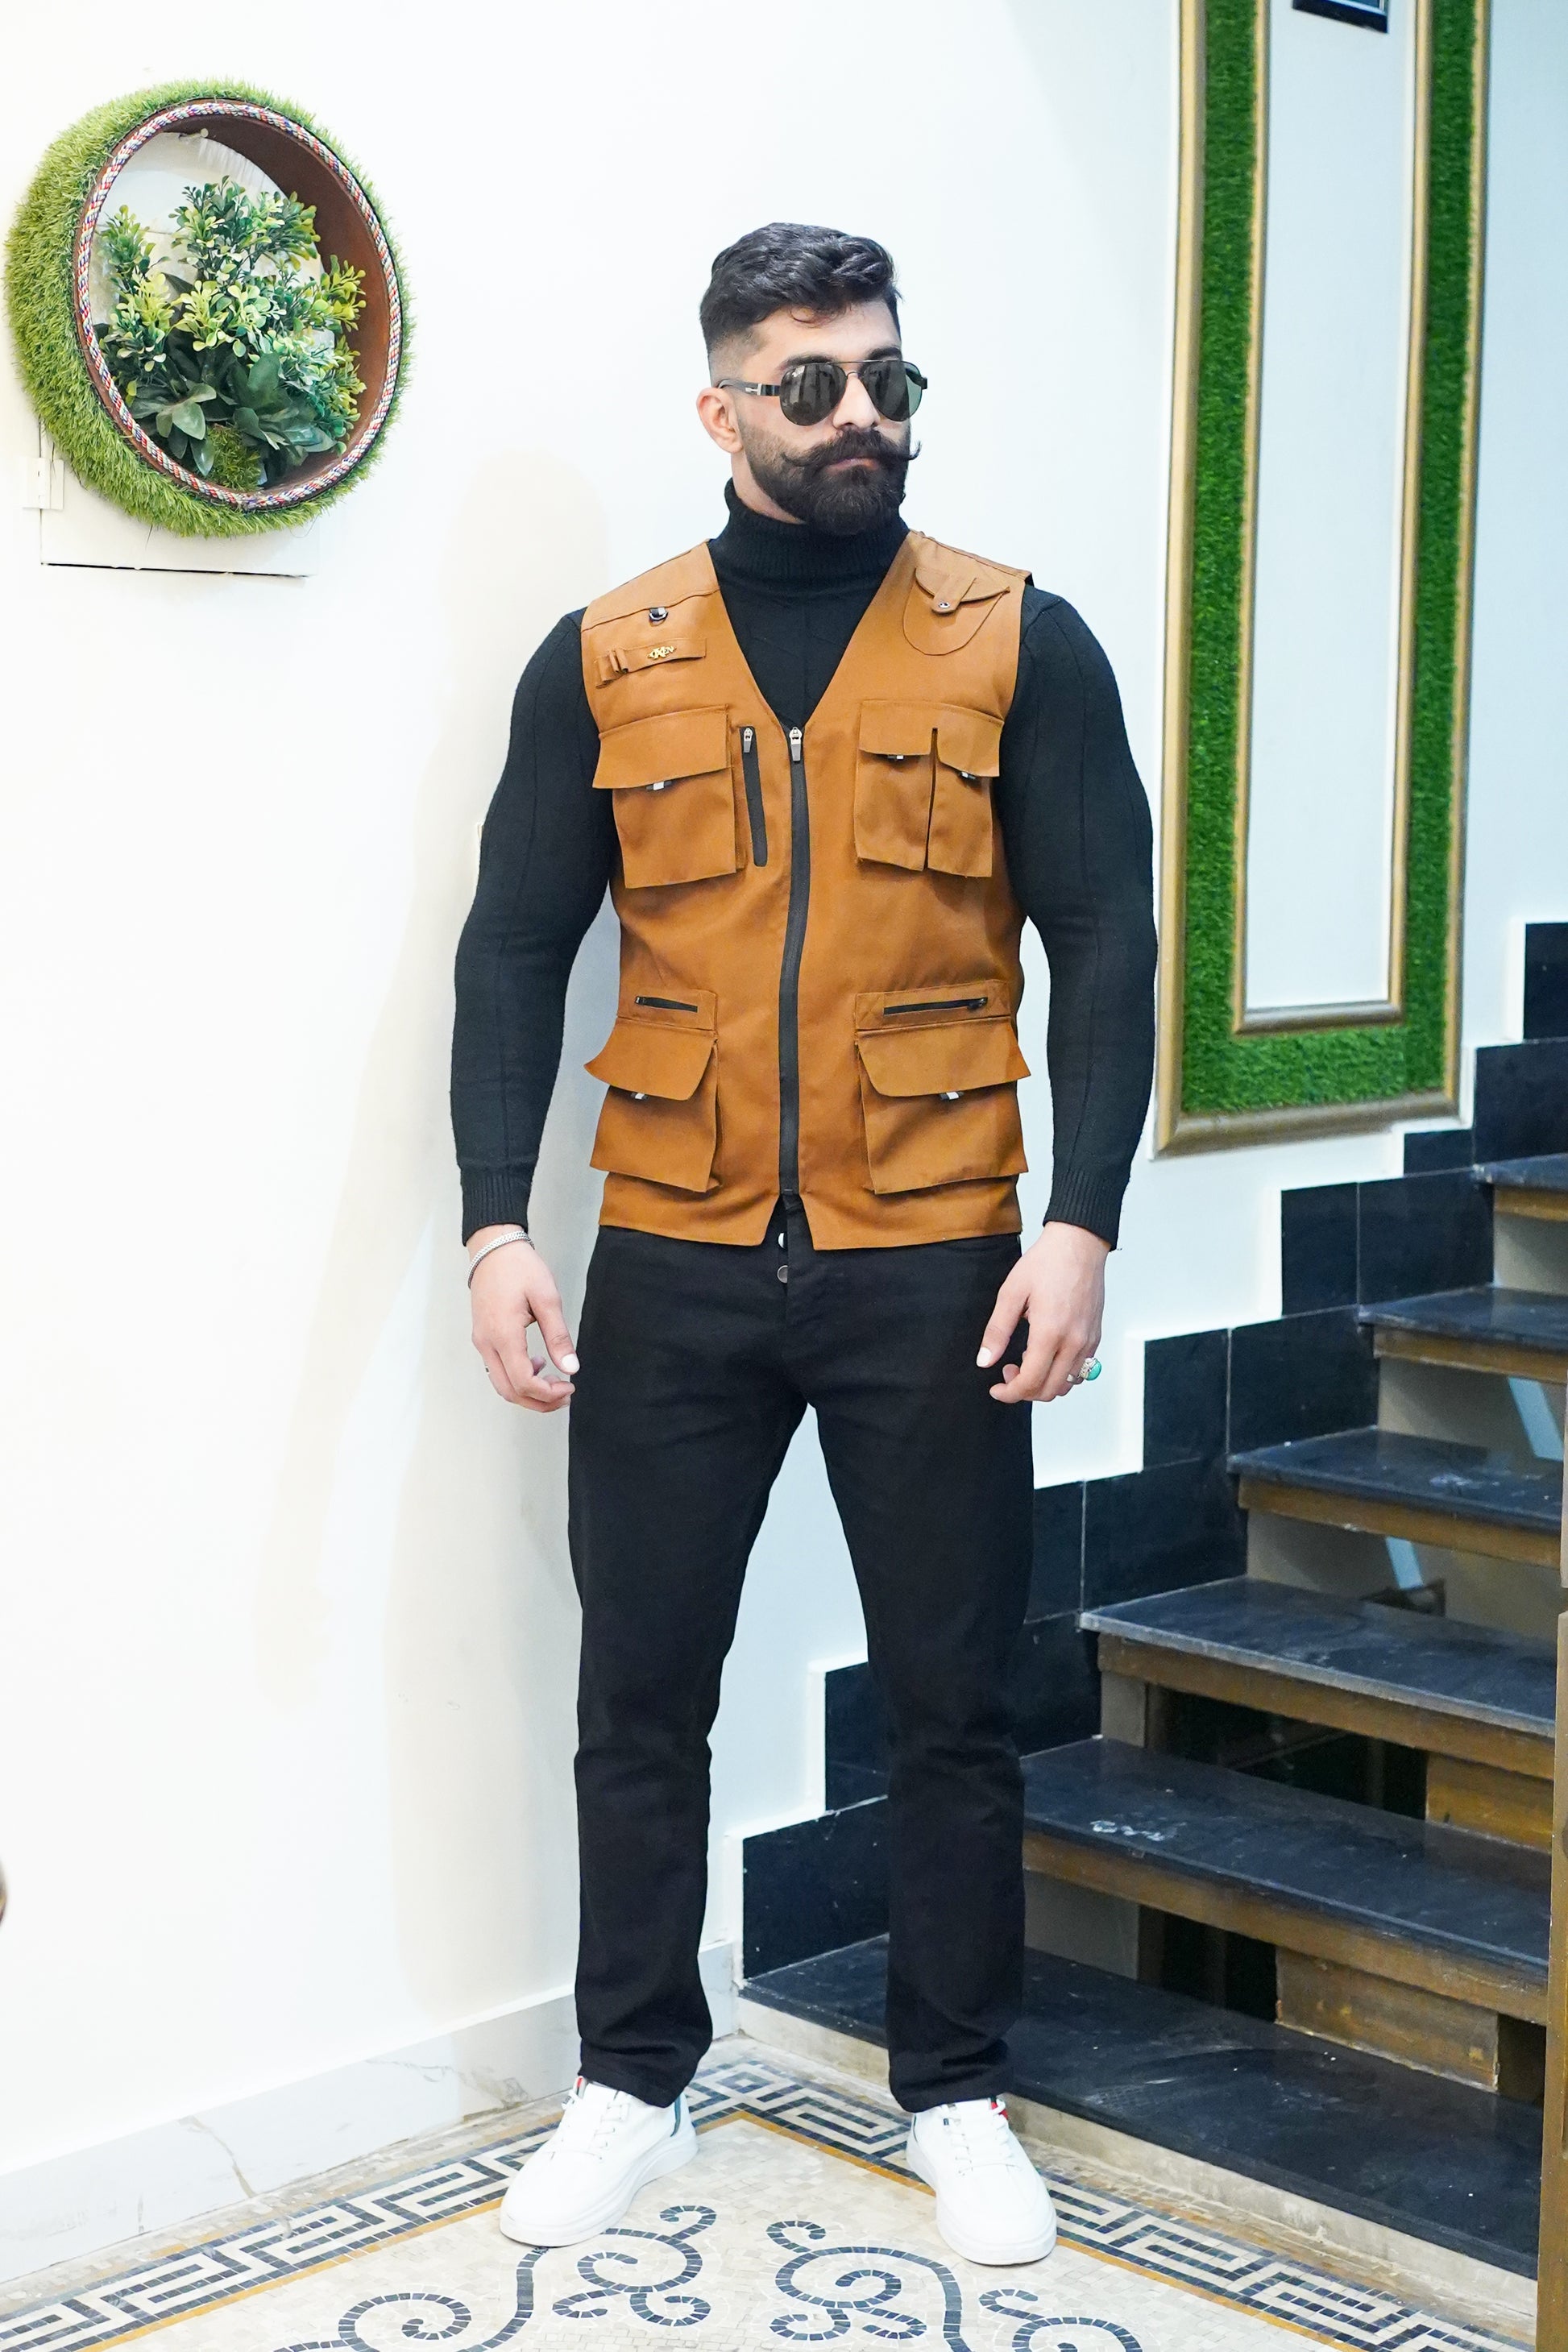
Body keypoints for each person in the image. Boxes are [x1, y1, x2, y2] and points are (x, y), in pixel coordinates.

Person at [450, 222, 1156, 2266]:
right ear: (722, 410)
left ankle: (957, 2089)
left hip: (934, 1249)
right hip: (670, 1249)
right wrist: (494, 1219)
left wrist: (1081, 1220)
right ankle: (630, 2073)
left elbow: (1106, 937)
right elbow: (514, 946)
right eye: (815, 384)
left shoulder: (1020, 638)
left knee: (952, 1697)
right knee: (638, 1689)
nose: (864, 415)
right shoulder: (606, 654)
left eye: (887, 379)